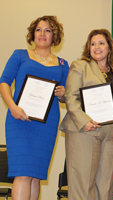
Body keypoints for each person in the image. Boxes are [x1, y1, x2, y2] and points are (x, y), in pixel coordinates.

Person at [0, 16, 68, 200]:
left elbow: (64, 97)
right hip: (19, 120)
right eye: (38, 29)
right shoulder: (19, 55)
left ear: (54, 35)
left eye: (48, 30)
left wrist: (63, 94)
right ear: (32, 34)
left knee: (36, 176)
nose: (42, 33)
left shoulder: (62, 64)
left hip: (47, 124)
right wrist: (12, 107)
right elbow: (4, 82)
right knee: (22, 173)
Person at [60, 29, 113, 200]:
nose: (96, 47)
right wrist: (84, 121)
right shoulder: (80, 66)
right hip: (84, 131)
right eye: (92, 43)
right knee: (82, 183)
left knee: (106, 186)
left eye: (101, 43)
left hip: (110, 134)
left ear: (109, 47)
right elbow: (71, 97)